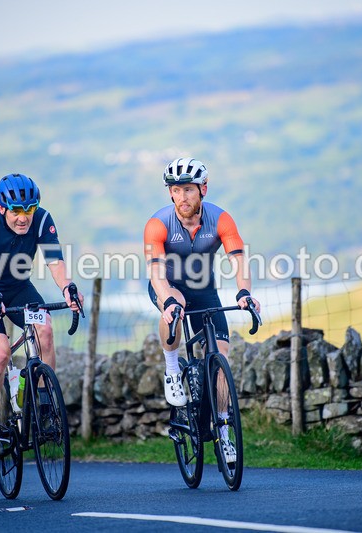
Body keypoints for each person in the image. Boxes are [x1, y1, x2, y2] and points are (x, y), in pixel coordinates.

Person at [143, 157, 261, 462]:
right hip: (168, 287)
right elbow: (156, 271)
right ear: (170, 193)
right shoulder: (158, 224)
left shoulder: (221, 219)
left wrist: (245, 292)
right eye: (176, 190)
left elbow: (238, 259)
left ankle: (223, 434)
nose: (183, 197)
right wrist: (167, 298)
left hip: (205, 291)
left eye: (189, 190)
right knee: (175, 307)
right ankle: (172, 368)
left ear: (203, 189)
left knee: (220, 356)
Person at [0, 173, 83, 458]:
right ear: (2, 207)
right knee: (1, 354)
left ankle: (44, 406)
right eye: (16, 211)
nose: (23, 217)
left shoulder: (41, 219)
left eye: (29, 209)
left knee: (45, 330)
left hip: (18, 288)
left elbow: (55, 262)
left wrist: (67, 288)